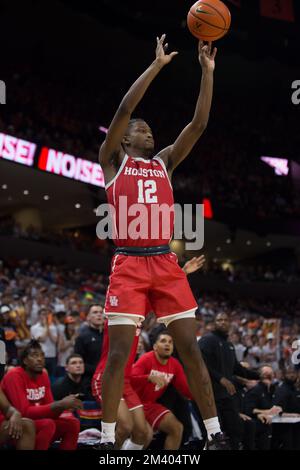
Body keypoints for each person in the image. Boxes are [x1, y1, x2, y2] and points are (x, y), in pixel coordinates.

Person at [98, 33, 225, 450]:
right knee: (118, 355)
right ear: (124, 138)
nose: (148, 132)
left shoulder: (165, 161)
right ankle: (105, 437)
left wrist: (206, 73)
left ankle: (215, 434)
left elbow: (199, 124)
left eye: (151, 130)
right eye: (141, 129)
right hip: (129, 264)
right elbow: (124, 107)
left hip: (165, 264)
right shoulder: (113, 162)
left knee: (190, 349)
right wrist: (156, 66)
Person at [93, 256, 205, 450]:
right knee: (126, 426)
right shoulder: (116, 316)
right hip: (107, 377)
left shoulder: (137, 315)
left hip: (125, 382)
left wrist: (183, 272)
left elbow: (157, 299)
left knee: (144, 433)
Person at [1, 340, 82, 450]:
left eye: (42, 356)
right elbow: (24, 412)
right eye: (35, 356)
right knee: (47, 424)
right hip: (13, 423)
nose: (40, 359)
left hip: (37, 422)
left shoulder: (43, 375)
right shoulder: (14, 376)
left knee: (73, 424)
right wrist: (59, 405)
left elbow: (51, 413)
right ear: (25, 360)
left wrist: (63, 406)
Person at [198, 312, 260, 449]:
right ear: (214, 323)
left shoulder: (229, 344)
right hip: (210, 396)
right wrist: (220, 379)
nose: (223, 322)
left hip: (226, 396)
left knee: (236, 429)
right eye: (219, 320)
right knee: (214, 435)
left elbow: (237, 368)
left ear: (230, 324)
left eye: (225, 320)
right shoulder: (207, 340)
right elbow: (201, 364)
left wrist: (259, 375)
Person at [131, 331, 193, 450]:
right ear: (155, 347)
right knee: (146, 436)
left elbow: (185, 388)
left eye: (170, 342)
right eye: (163, 341)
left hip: (150, 405)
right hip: (133, 403)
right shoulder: (146, 358)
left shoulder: (175, 364)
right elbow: (129, 379)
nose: (167, 344)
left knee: (177, 428)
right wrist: (148, 377)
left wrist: (202, 397)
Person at [74, 304, 104, 377]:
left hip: (108, 379)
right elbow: (79, 363)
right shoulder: (82, 337)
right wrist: (99, 370)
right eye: (95, 312)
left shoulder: (109, 336)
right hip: (89, 379)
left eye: (101, 312)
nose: (99, 315)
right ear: (88, 317)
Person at [30, 308, 58, 378]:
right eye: (43, 314)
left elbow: (55, 340)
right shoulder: (34, 328)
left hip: (52, 355)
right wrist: (46, 326)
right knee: (41, 376)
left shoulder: (53, 327)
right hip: (40, 356)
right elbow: (43, 339)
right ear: (39, 316)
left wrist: (48, 327)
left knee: (52, 377)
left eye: (47, 314)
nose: (45, 316)